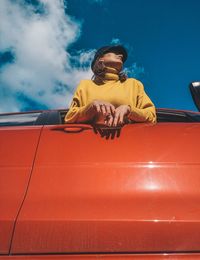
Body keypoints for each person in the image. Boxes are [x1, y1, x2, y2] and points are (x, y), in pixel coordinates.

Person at [64, 45, 156, 126]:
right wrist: (91, 107)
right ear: (100, 58)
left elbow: (151, 116)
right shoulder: (85, 85)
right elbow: (69, 117)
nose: (120, 56)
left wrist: (130, 110)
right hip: (91, 143)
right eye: (115, 53)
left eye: (120, 55)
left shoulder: (133, 84)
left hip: (129, 142)